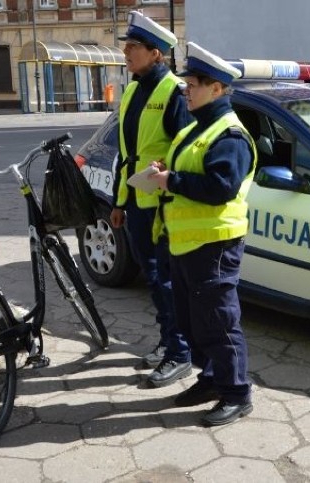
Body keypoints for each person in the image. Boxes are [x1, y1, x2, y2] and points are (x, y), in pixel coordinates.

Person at [150, 42, 256, 426]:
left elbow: (221, 187)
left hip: (214, 245)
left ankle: (237, 393)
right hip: (187, 242)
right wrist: (166, 170)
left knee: (219, 321)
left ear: (217, 88)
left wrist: (172, 179)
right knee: (193, 320)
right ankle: (212, 379)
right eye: (186, 84)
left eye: (193, 84)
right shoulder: (197, 128)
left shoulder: (229, 134)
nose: (185, 90)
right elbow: (187, 170)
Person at [113, 11, 193, 387]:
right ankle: (168, 342)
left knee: (165, 280)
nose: (126, 52)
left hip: (162, 206)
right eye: (126, 46)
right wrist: (118, 202)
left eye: (133, 47)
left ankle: (180, 353)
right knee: (154, 278)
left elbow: (188, 151)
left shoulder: (174, 92)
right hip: (135, 203)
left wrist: (167, 171)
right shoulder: (132, 88)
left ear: (156, 53)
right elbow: (126, 151)